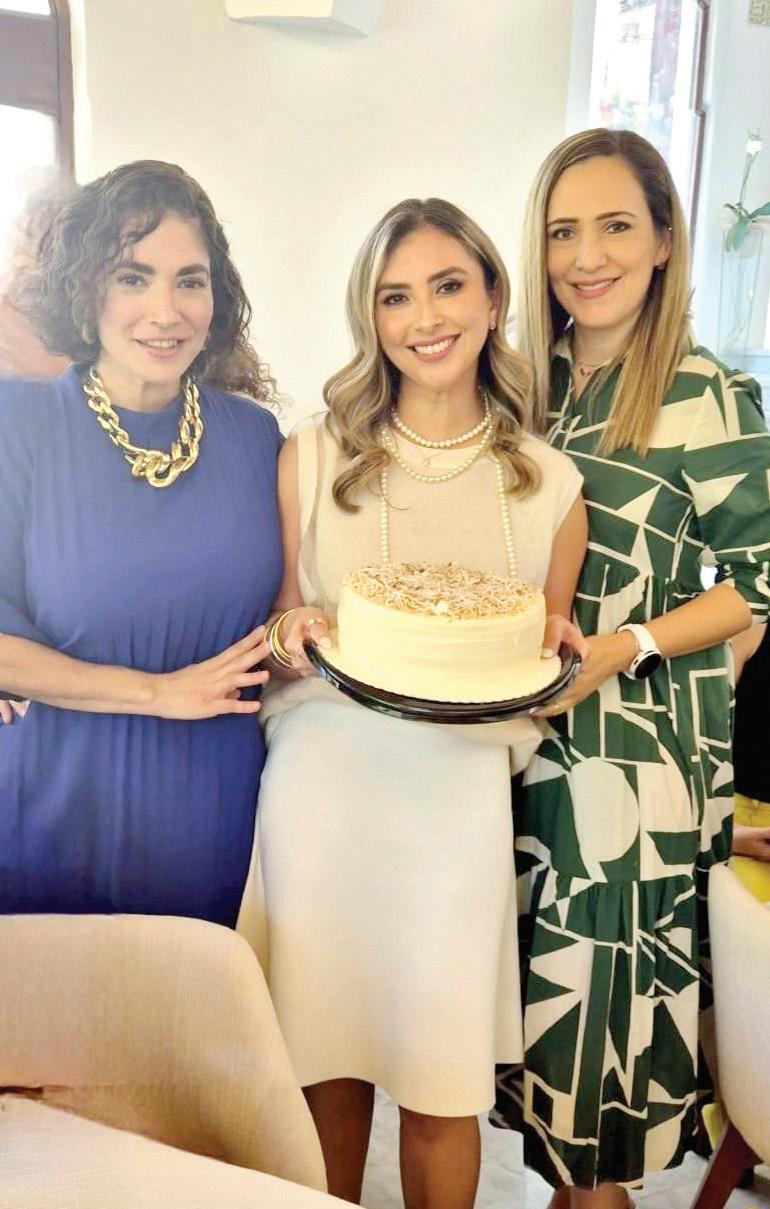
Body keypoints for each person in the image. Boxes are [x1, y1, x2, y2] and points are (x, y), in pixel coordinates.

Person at [236, 197, 588, 1209]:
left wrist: (559, 652)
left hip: (456, 811)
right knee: (323, 1073)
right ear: (371, 315)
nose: (424, 318)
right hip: (321, 798)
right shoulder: (311, 455)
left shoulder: (551, 486)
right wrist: (290, 635)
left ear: (492, 299)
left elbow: (536, 662)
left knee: (442, 1089)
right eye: (395, 297)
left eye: (447, 287)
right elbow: (276, 628)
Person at [492, 128, 770, 1207]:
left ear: (662, 240)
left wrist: (628, 645)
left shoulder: (706, 392)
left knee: (593, 1087)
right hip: (524, 752)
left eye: (614, 226)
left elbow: (759, 583)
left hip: (628, 773)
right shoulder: (529, 387)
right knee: (543, 1070)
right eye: (562, 231)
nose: (586, 256)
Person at [0, 160, 283, 926]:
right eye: (133, 277)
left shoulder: (256, 438)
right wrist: (161, 693)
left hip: (216, 818)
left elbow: (286, 618)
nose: (166, 311)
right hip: (53, 811)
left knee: (199, 999)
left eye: (190, 280)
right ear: (86, 288)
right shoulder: (18, 427)